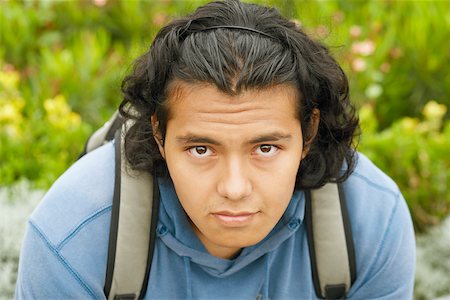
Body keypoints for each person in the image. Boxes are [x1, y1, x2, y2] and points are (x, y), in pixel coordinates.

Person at [15, 0, 415, 299]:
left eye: (266, 147)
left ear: (309, 132)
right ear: (158, 133)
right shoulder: (73, 235)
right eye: (202, 149)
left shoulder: (369, 219)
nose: (235, 188)